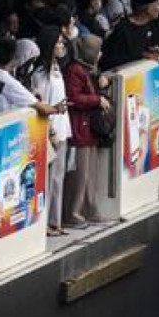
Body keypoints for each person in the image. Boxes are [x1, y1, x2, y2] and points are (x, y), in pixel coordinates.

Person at [64, 35, 111, 227]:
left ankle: (90, 208)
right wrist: (97, 100)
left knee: (91, 171)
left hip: (89, 127)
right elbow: (74, 97)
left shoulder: (88, 69)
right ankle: (73, 212)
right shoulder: (75, 70)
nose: (100, 54)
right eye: (97, 50)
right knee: (81, 173)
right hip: (80, 127)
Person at [30, 27, 72, 236]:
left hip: (63, 127)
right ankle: (46, 223)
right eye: (58, 42)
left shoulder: (57, 68)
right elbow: (41, 103)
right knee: (48, 178)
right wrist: (50, 131)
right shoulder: (40, 74)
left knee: (58, 177)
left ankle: (56, 220)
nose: (62, 45)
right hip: (51, 130)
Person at [0, 38, 65, 119]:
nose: (31, 65)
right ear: (18, 57)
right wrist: (56, 109)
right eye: (31, 61)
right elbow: (43, 109)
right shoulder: (10, 84)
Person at [100, 0, 159, 70]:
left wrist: (153, 50)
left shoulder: (152, 26)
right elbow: (110, 60)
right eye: (158, 4)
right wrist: (141, 55)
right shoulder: (123, 28)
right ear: (147, 6)